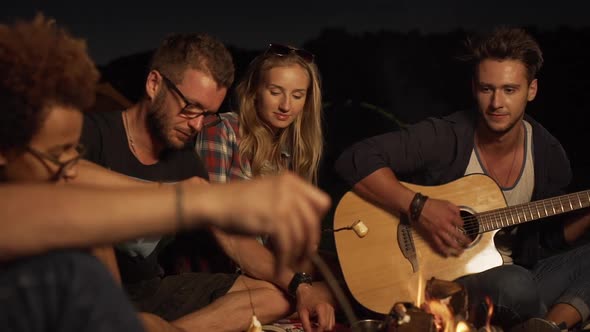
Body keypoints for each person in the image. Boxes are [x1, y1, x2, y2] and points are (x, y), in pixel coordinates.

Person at [0, 15, 331, 332]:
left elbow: (232, 239)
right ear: (154, 83)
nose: (200, 125)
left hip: (145, 291)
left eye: (208, 113)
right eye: (191, 108)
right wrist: (193, 199)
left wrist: (299, 282)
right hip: (67, 290)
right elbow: (66, 195)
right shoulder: (91, 136)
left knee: (274, 296)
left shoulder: (185, 161)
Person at [334, 27, 590, 330]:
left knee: (528, 281)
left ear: (531, 90)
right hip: (445, 282)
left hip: (510, 274)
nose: (496, 103)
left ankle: (546, 325)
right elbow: (355, 159)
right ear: (474, 88)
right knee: (516, 286)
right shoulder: (446, 136)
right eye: (487, 89)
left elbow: (546, 244)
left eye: (510, 90)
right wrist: (420, 207)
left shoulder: (548, 154)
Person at [195, 43, 330, 329]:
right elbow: (219, 232)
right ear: (254, 89)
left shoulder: (286, 158)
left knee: (345, 282)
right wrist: (301, 287)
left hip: (266, 275)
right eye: (275, 91)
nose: (286, 106)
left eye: (297, 95)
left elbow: (284, 251)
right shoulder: (221, 132)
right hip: (218, 271)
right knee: (289, 297)